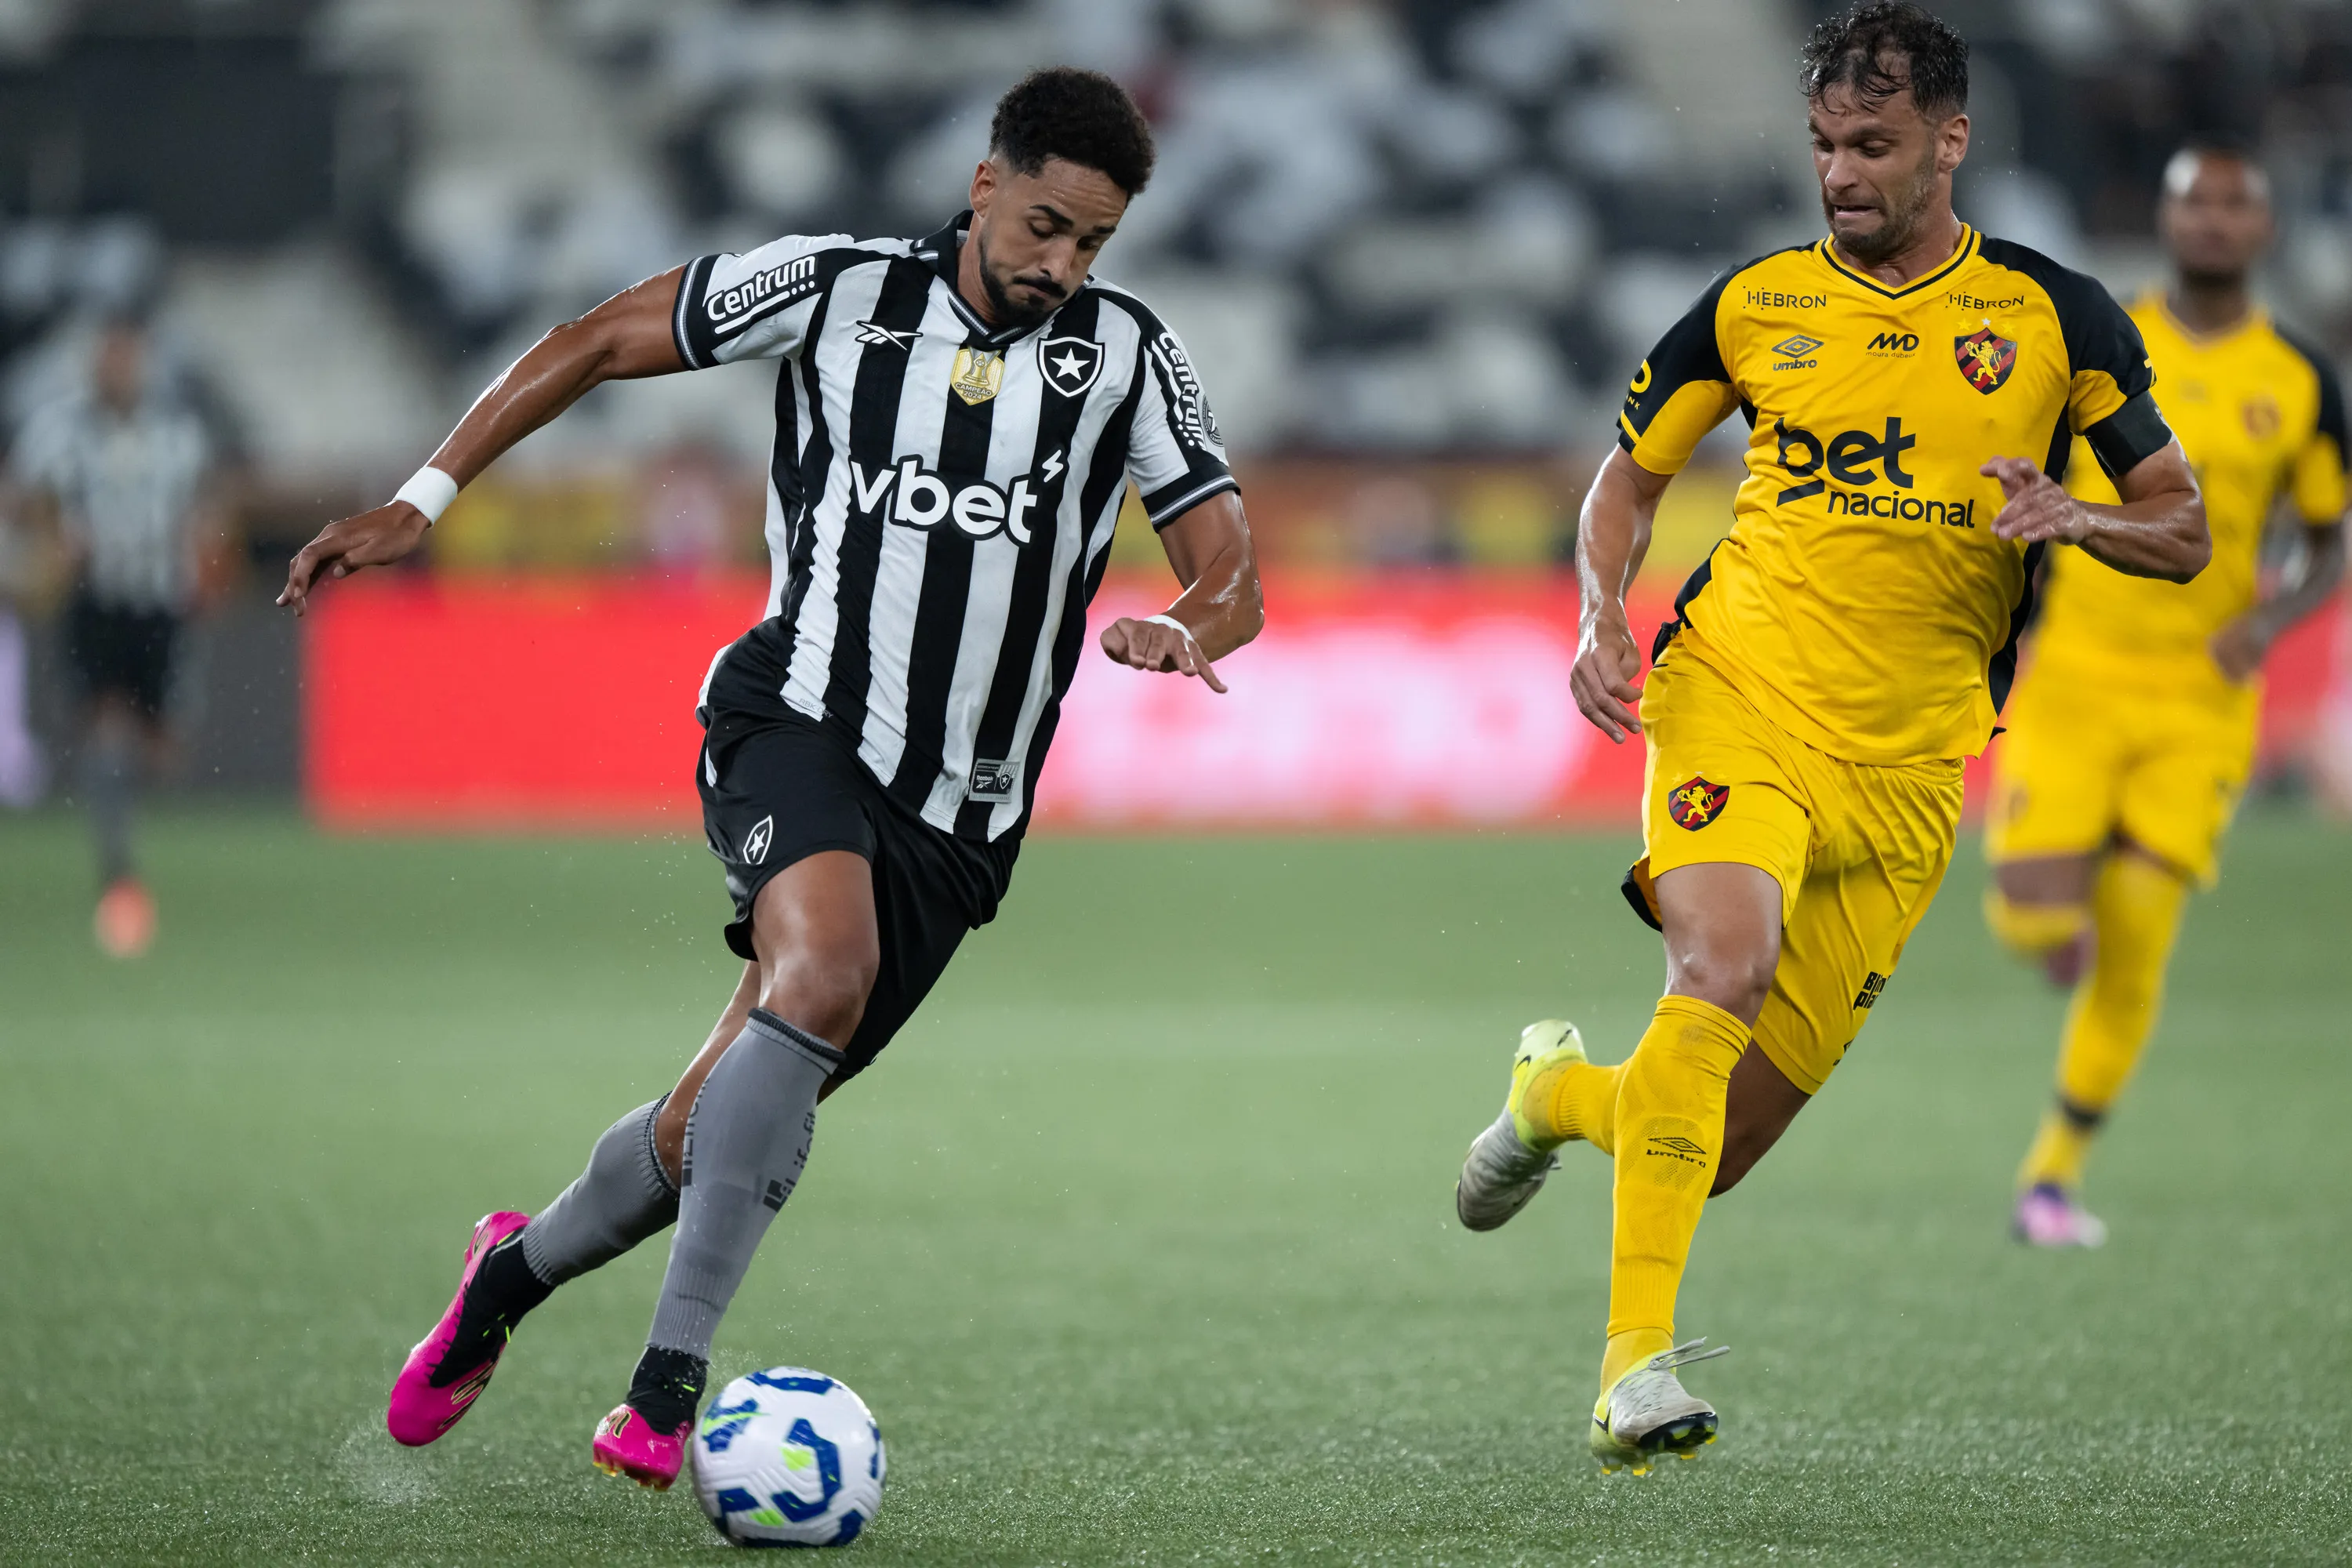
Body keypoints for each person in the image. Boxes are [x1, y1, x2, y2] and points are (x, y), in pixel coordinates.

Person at [278, 67, 1262, 1491]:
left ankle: (504, 1280)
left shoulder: (1123, 356)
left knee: (708, 1130)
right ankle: (667, 1391)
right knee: (820, 977)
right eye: (1047, 226)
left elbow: (1231, 567)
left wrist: (1191, 624)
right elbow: (599, 337)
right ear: (986, 184)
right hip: (794, 717)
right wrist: (421, 498)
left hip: (960, 825)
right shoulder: (839, 288)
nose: (1064, 266)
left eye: (1093, 244)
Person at [1450, 1, 2208, 1474]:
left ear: (1951, 141)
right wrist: (1602, 612)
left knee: (1713, 1146)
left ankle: (1551, 1094)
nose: (1840, 172)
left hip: (1918, 767)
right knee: (1716, 967)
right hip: (1739, 687)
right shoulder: (1752, 307)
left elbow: (2181, 526)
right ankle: (1631, 1374)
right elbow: (1626, 480)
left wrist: (2081, 517)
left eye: (1871, 145)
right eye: (1821, 145)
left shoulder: (2057, 317)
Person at [1984, 144, 2347, 1247]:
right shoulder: (2101, 340)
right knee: (2033, 914)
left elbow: (2330, 539)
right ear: (2166, 219)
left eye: (2237, 206)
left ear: (2264, 231)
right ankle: (2058, 918)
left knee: (2139, 929)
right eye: (2195, 203)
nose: (2214, 224)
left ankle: (2051, 1175)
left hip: (2200, 698)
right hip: (2079, 675)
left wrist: (2272, 620)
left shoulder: (2298, 377)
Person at [10, 315, 220, 955]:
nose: (116, 369)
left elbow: (207, 507)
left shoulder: (178, 435)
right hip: (94, 600)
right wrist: (52, 544)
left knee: (163, 746)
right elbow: (25, 497)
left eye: (125, 358)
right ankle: (117, 864)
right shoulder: (60, 432)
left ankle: (130, 825)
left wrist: (204, 565)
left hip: (158, 603)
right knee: (103, 721)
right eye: (108, 358)